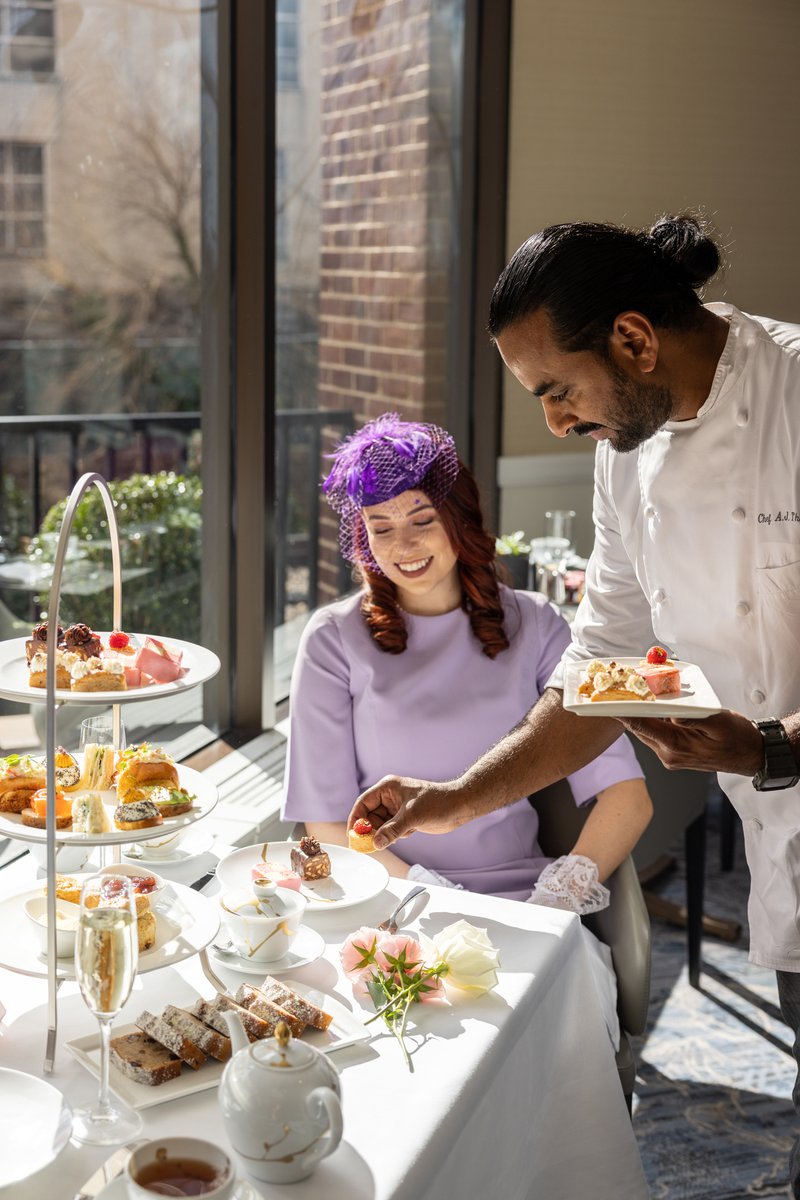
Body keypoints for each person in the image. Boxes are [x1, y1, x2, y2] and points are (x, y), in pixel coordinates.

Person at [348, 214, 800, 1193]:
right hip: (780, 837)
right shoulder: (622, 456)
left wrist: (765, 746)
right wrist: (453, 799)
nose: (552, 422)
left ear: (633, 339)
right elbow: (599, 674)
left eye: (555, 390)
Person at [282, 413, 651, 915]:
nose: (403, 546)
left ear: (459, 517)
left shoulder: (538, 624)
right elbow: (327, 825)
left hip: (531, 899)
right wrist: (435, 899)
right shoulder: (332, 639)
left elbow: (626, 795)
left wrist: (554, 903)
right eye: (380, 527)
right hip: (395, 903)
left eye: (422, 519)